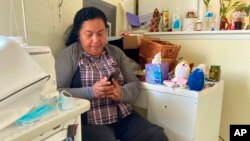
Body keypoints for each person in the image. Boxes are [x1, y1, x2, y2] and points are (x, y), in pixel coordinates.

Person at [55, 7, 168, 141]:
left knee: (156, 136)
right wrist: (91, 92)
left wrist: (121, 93)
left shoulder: (116, 52)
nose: (96, 40)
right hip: (90, 122)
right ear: (79, 35)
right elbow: (57, 94)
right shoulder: (69, 56)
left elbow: (135, 84)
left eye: (100, 33)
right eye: (89, 34)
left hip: (123, 117)